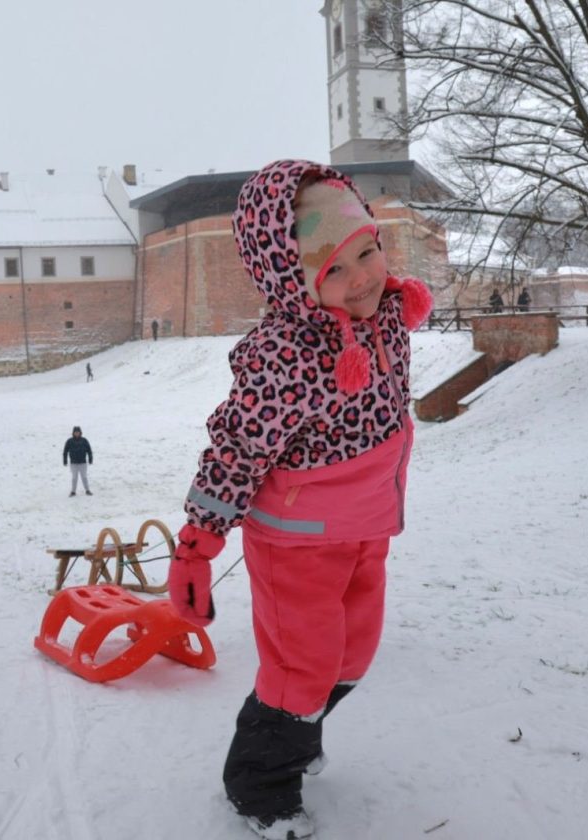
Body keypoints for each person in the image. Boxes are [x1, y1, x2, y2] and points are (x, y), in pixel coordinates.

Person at [167, 160, 433, 840]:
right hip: (297, 541)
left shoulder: (387, 314)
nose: (365, 278)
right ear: (294, 281)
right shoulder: (284, 354)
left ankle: (299, 728)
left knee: (354, 654)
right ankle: (259, 784)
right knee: (303, 666)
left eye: (368, 252)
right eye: (336, 270)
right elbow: (236, 449)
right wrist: (198, 547)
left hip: (367, 525)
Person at [63, 425, 93, 496]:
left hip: (83, 462)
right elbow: (65, 451)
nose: (76, 433)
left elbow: (89, 450)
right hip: (73, 463)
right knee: (74, 477)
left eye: (78, 432)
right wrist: (65, 460)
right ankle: (73, 491)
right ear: (73, 433)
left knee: (84, 477)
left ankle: (87, 490)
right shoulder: (69, 441)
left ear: (80, 433)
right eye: (75, 432)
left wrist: (90, 458)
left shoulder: (84, 440)